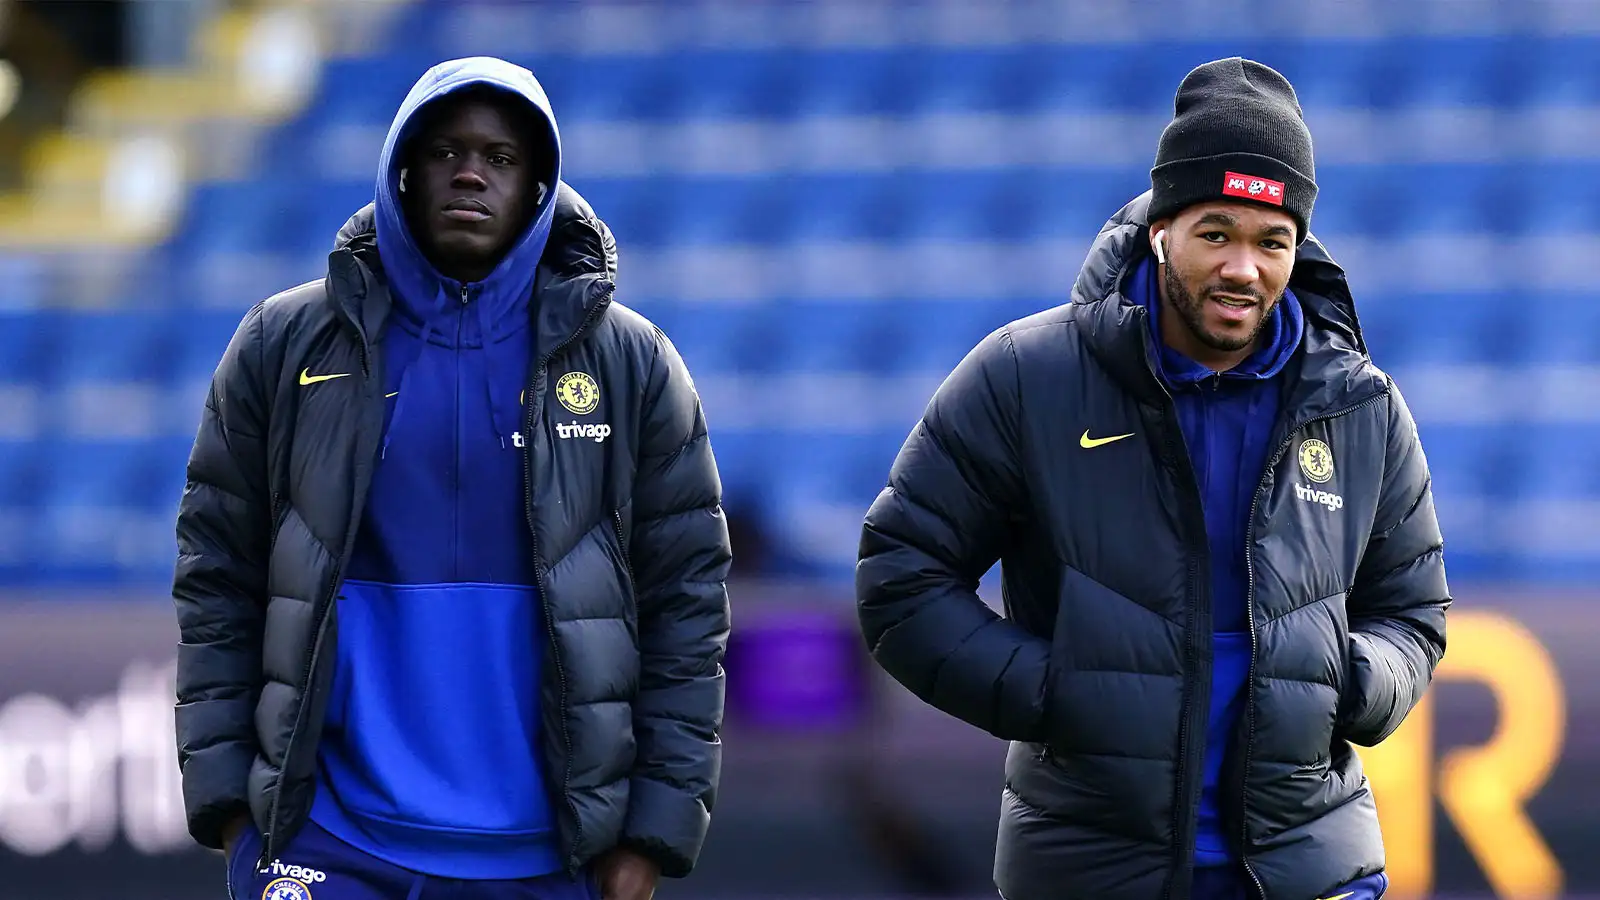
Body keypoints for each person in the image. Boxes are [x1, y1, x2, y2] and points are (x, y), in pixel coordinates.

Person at [855, 57, 1449, 900]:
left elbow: (1415, 612)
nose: (1244, 267)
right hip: (1091, 867)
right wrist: (1055, 695)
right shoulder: (1027, 377)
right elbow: (900, 577)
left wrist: (1350, 686)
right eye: (1217, 233)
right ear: (1163, 228)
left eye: (1271, 241)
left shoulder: (1360, 406)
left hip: (1309, 868)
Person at [172, 56, 732, 900]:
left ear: (538, 185)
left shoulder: (632, 364)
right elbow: (217, 577)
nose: (470, 173)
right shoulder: (283, 344)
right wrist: (229, 808)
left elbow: (686, 602)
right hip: (328, 838)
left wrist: (651, 834)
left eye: (500, 159)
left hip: (551, 856)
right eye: (444, 152)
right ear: (403, 169)